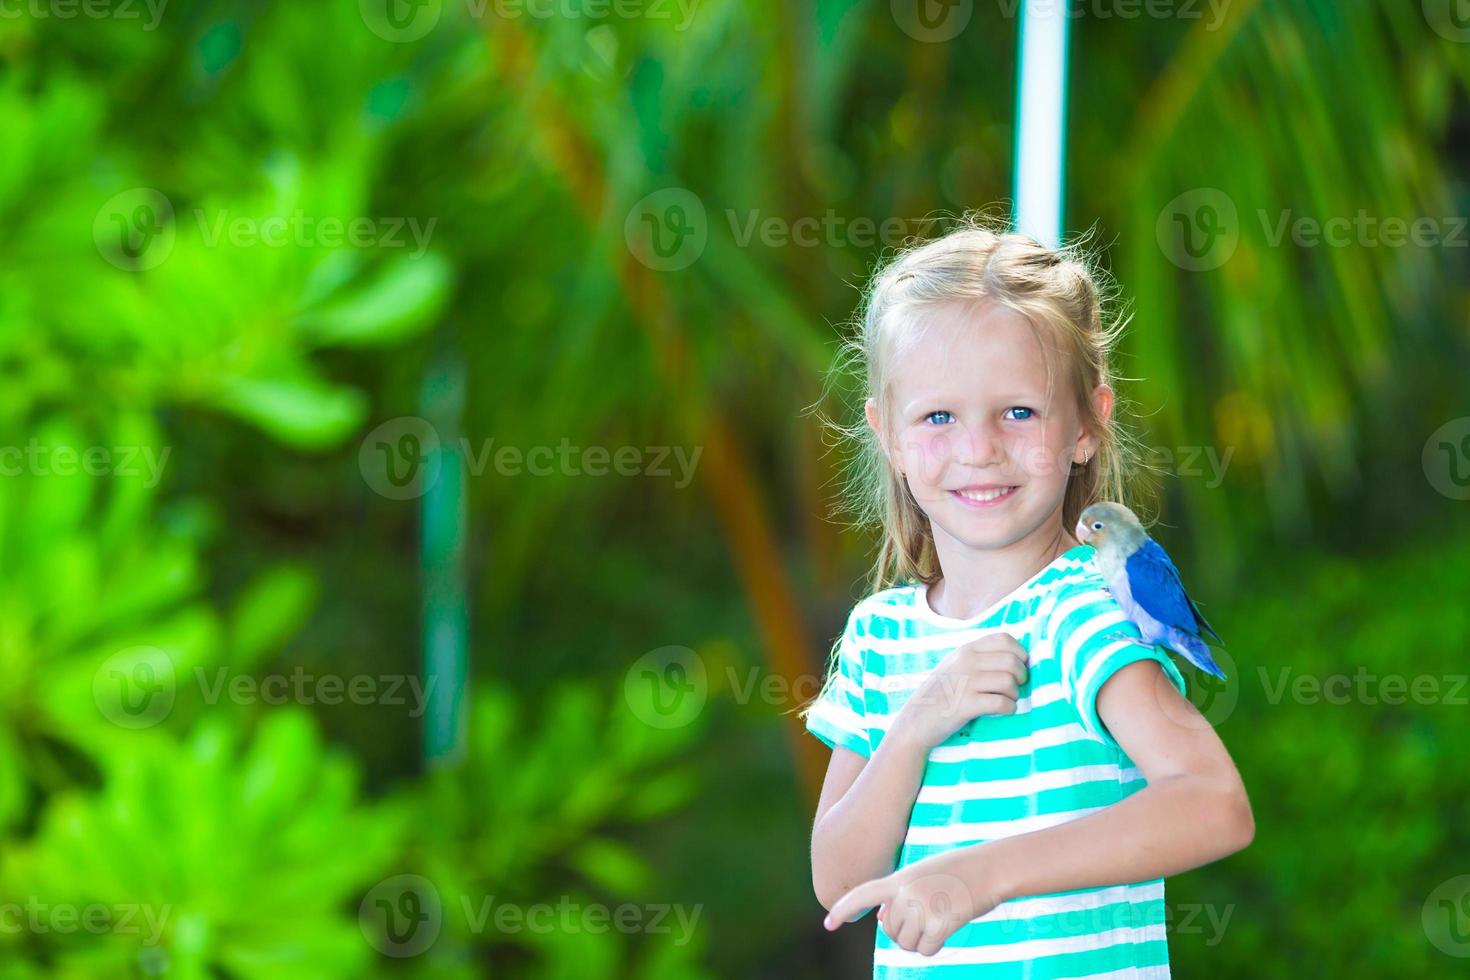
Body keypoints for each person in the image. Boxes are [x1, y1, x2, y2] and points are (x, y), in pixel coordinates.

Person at [800, 216, 1254, 978]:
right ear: (889, 435)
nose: (978, 448)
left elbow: (1214, 804)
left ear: (1085, 426)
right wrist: (917, 724)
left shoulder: (1085, 612)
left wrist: (978, 876)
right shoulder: (879, 639)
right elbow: (839, 884)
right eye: (938, 416)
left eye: (1019, 411)